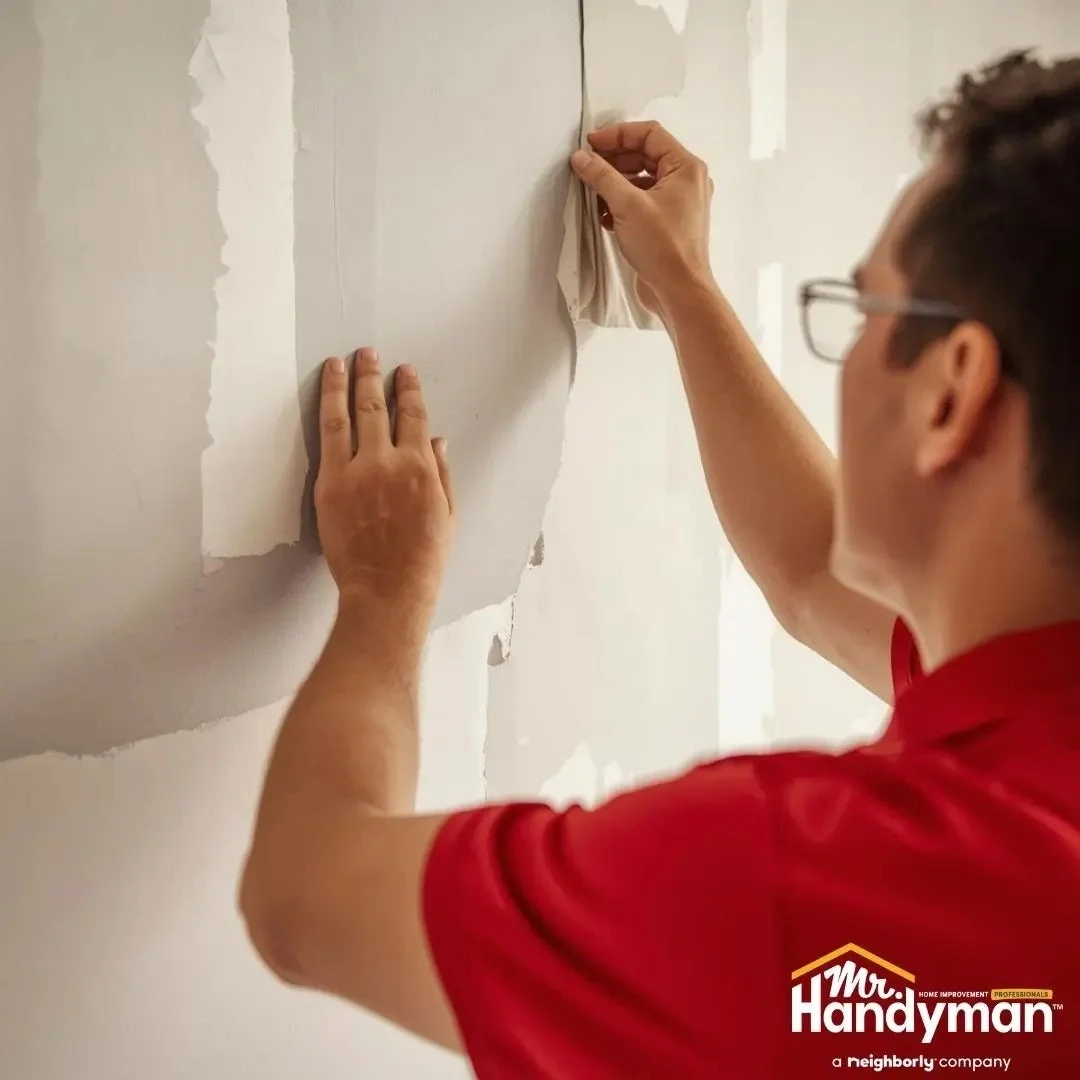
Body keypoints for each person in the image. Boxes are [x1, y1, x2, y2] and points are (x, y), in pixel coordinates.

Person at [239, 50, 1080, 1078]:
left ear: (951, 392)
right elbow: (811, 570)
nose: (852, 349)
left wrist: (383, 598)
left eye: (865, 313)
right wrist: (683, 286)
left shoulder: (808, 889)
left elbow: (303, 898)